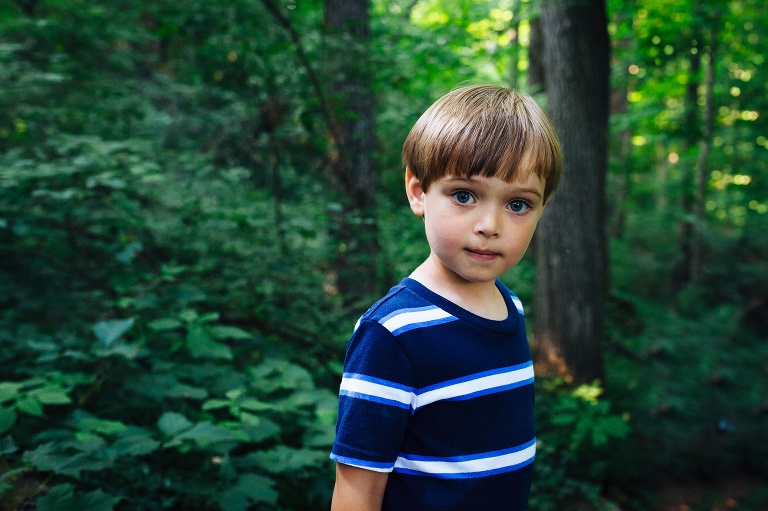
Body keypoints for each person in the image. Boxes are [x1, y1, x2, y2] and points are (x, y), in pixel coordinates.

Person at [329, 84, 562, 511]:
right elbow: (356, 492)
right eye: (464, 196)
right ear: (418, 192)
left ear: (542, 208)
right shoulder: (394, 333)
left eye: (518, 204)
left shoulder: (511, 308)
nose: (490, 224)